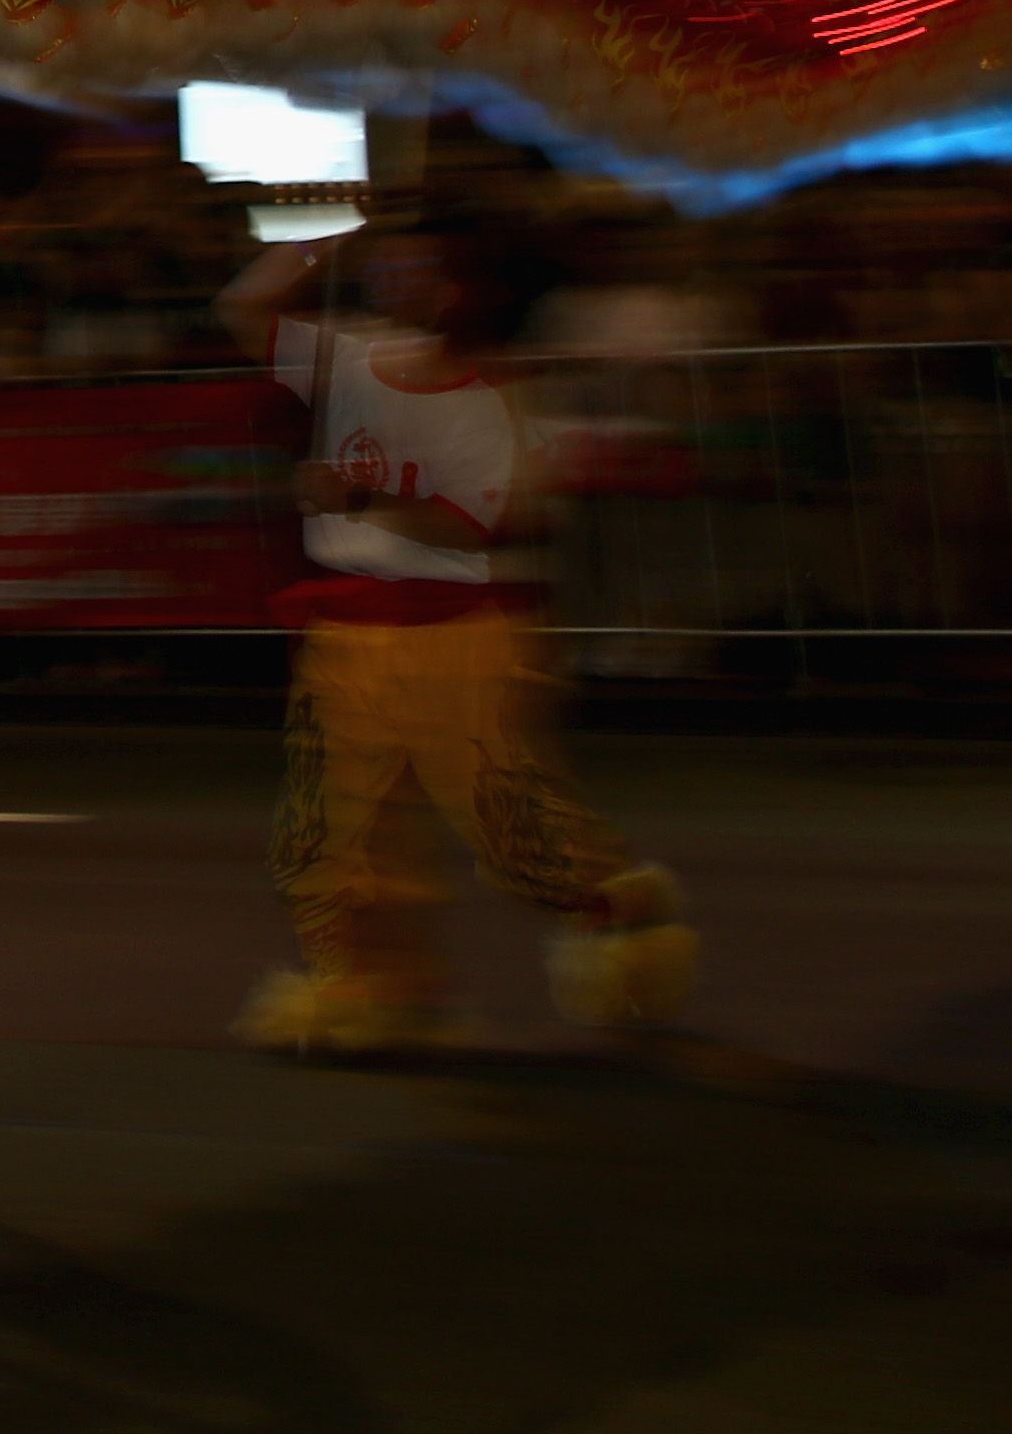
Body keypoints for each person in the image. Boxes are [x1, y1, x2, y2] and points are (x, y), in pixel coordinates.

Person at [218, 211, 698, 1054]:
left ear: (468, 287)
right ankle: (373, 989)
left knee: (512, 830)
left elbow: (497, 521)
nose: (397, 282)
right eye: (386, 265)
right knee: (338, 834)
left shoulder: (499, 391)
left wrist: (362, 500)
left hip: (468, 629)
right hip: (351, 625)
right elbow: (241, 308)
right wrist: (319, 231)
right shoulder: (350, 353)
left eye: (422, 267)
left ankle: (617, 909)